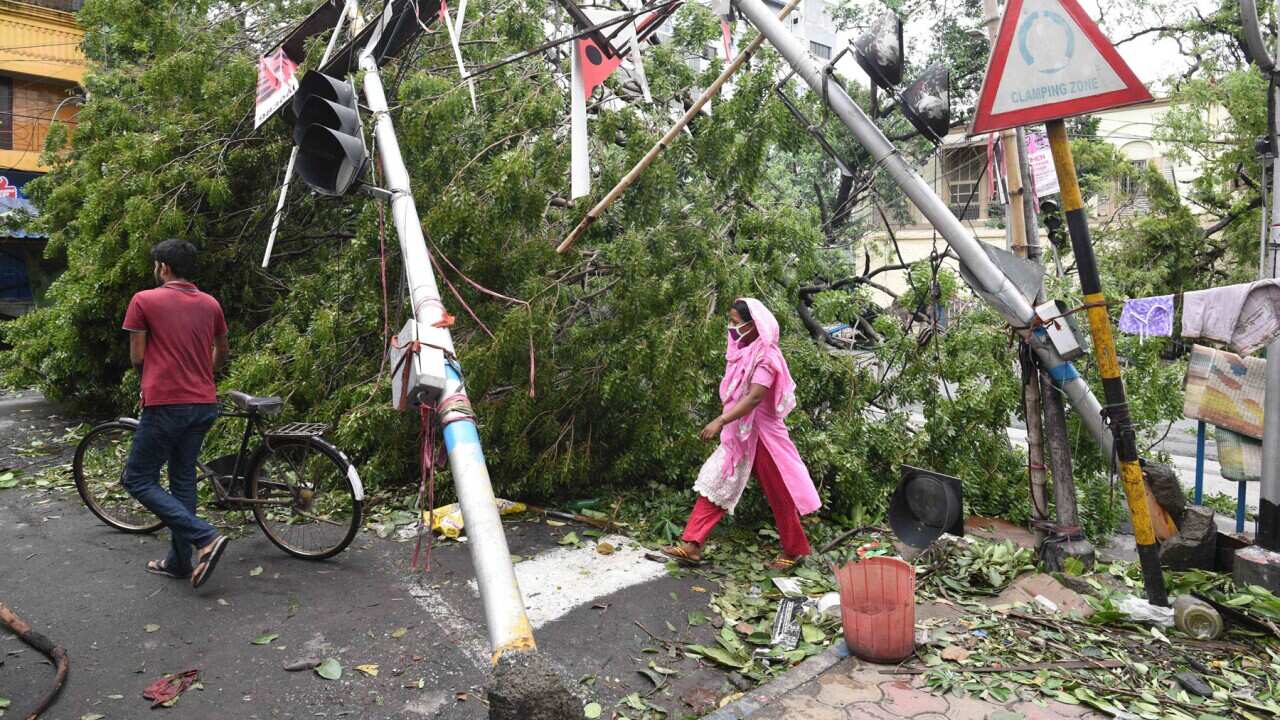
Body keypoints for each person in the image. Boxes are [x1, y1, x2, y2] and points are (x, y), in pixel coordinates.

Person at [662, 298, 821, 570]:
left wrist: (720, 421)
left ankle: (794, 551)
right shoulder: (741, 351)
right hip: (739, 436)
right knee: (716, 481)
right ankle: (692, 545)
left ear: (754, 324)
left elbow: (755, 397)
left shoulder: (767, 357)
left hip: (763, 438)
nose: (732, 328)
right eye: (732, 322)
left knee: (780, 494)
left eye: (737, 323)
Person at [121, 239, 230, 589]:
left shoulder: (144, 300)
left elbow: (138, 358)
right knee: (182, 478)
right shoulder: (210, 303)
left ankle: (206, 537)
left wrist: (154, 382)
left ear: (163, 267)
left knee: (136, 478)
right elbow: (221, 350)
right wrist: (203, 378)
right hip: (203, 404)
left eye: (156, 265)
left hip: (167, 403)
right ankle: (179, 563)